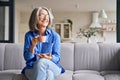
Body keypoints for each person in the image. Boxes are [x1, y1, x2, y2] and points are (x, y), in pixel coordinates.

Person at [21, 7, 65, 80]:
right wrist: (32, 46)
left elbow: (57, 58)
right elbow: (27, 58)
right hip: (32, 68)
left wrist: (49, 58)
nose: (45, 18)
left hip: (51, 66)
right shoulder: (29, 35)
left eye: (47, 16)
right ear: (35, 18)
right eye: (42, 15)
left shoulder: (55, 36)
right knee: (49, 74)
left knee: (42, 62)